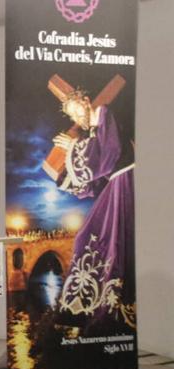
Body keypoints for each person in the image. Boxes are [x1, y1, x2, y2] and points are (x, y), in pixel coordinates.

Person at [52, 92, 135, 330]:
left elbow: (109, 155)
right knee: (88, 238)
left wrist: (73, 147)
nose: (78, 118)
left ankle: (106, 306)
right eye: (73, 116)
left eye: (78, 111)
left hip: (126, 181)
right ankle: (86, 307)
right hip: (115, 185)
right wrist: (66, 176)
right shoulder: (92, 132)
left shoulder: (103, 113)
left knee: (102, 239)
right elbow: (96, 178)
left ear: (86, 102)